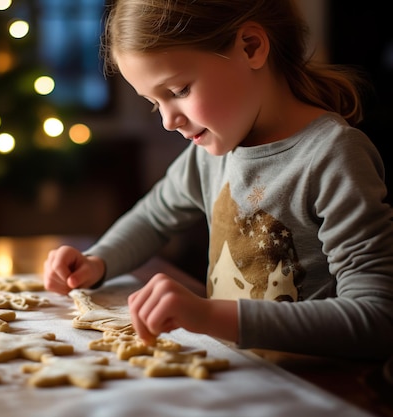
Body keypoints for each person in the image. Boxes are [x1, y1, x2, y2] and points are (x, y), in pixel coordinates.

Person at [43, 0, 393, 360]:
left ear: (251, 47)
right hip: (234, 378)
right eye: (153, 102)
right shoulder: (209, 154)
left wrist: (209, 315)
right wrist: (98, 262)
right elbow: (152, 216)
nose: (167, 120)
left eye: (178, 91)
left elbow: (375, 317)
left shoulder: (332, 155)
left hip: (317, 393)